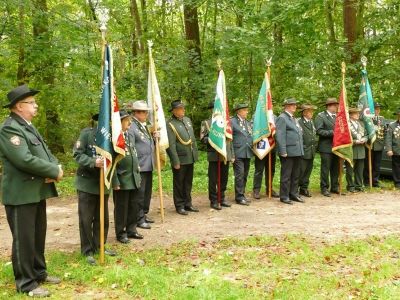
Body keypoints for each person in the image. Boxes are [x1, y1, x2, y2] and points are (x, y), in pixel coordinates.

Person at [0, 84, 63, 297]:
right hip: (21, 194)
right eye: (32, 103)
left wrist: (55, 166)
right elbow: (23, 159)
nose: (36, 106)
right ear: (19, 106)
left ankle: (39, 273)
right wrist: (53, 170)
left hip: (35, 191)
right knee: (24, 239)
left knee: (37, 235)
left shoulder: (28, 126)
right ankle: (26, 283)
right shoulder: (10, 128)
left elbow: (43, 152)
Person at [73, 113, 116, 265]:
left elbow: (114, 161)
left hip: (103, 183)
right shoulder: (87, 134)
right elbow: (77, 155)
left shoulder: (112, 139)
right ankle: (87, 250)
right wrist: (93, 161)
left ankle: (100, 245)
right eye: (105, 120)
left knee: (102, 217)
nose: (108, 123)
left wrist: (114, 181)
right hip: (87, 183)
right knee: (86, 219)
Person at [112, 110, 142, 244]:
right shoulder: (114, 138)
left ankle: (131, 229)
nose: (129, 122)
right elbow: (112, 162)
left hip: (133, 177)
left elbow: (133, 153)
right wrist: (115, 181)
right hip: (122, 178)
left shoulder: (129, 135)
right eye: (126, 120)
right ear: (119, 122)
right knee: (121, 208)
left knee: (133, 206)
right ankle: (121, 233)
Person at [166, 100, 199, 215]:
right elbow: (171, 144)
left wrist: (195, 154)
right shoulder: (170, 124)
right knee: (179, 183)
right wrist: (175, 160)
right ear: (174, 111)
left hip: (190, 156)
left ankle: (188, 203)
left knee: (188, 182)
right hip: (180, 158)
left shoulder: (187, 120)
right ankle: (179, 205)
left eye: (183, 108)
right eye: (180, 109)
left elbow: (192, 138)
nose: (183, 110)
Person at [200, 101, 233, 210]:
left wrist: (231, 154)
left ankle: (222, 198)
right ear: (211, 110)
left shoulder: (226, 122)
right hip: (214, 155)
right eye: (214, 109)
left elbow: (230, 139)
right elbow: (202, 139)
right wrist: (213, 138)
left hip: (225, 154)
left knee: (224, 178)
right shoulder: (206, 123)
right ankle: (213, 200)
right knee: (213, 179)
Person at [128, 100, 156, 229]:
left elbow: (147, 143)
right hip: (140, 165)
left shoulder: (143, 125)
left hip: (148, 164)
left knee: (146, 193)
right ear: (136, 113)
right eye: (143, 112)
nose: (146, 114)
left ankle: (143, 214)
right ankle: (138, 219)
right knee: (139, 194)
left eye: (146, 112)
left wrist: (154, 137)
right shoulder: (132, 126)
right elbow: (131, 146)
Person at [275, 98, 304, 204]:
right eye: (292, 105)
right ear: (286, 106)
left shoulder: (293, 118)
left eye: (295, 105)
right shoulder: (282, 118)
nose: (295, 106)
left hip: (297, 151)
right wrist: (283, 150)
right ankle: (284, 196)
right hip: (288, 151)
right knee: (286, 175)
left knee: (296, 174)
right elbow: (280, 136)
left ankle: (293, 194)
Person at [314, 98, 340, 197]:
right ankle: (324, 187)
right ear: (329, 106)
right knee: (325, 168)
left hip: (337, 146)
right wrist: (333, 133)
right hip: (326, 147)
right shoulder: (321, 116)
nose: (336, 107)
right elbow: (319, 131)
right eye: (334, 105)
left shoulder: (338, 117)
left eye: (336, 105)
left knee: (335, 168)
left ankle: (334, 186)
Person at [252, 113, 279, 200]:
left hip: (271, 147)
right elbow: (253, 129)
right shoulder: (257, 115)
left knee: (271, 170)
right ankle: (256, 190)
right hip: (261, 146)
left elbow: (277, 129)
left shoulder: (274, 116)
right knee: (259, 170)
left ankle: (269, 189)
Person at [231, 103, 253, 205]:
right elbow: (229, 139)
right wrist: (231, 153)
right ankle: (239, 197)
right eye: (245, 110)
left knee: (245, 174)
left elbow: (249, 136)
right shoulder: (232, 121)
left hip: (247, 152)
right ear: (239, 111)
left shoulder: (247, 123)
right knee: (239, 175)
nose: (247, 112)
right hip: (237, 152)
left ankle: (242, 194)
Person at [297, 104, 318, 197]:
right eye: (309, 111)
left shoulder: (311, 122)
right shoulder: (299, 122)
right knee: (300, 171)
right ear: (304, 113)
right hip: (304, 150)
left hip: (312, 150)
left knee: (307, 171)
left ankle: (304, 188)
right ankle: (295, 189)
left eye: (312, 111)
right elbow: (298, 137)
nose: (311, 113)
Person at [345, 107, 367, 192]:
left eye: (358, 113)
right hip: (352, 150)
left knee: (360, 170)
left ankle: (358, 185)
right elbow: (345, 138)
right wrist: (355, 141)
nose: (358, 115)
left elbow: (366, 134)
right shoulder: (347, 125)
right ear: (350, 115)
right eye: (356, 113)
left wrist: (365, 139)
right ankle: (350, 186)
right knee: (350, 170)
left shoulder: (361, 124)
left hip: (361, 150)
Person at [364, 102, 386, 187]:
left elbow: (385, 132)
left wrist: (384, 143)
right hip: (370, 144)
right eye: (376, 109)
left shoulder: (382, 119)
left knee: (377, 165)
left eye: (378, 109)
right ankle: (366, 181)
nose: (378, 110)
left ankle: (375, 181)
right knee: (367, 164)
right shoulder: (367, 119)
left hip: (379, 144)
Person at [385, 108, 400, 189]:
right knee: (396, 167)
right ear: (398, 116)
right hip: (396, 150)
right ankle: (397, 183)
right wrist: (389, 149)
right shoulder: (392, 125)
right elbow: (388, 138)